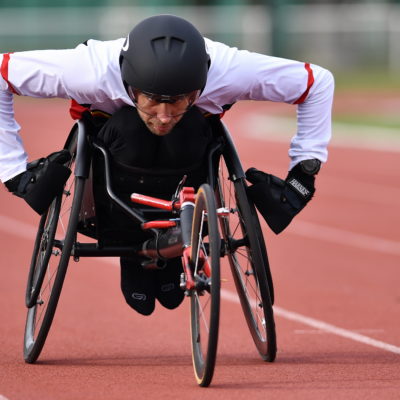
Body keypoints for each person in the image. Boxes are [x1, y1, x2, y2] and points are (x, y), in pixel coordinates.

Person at [0, 14, 334, 315]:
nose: (163, 115)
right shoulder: (88, 69)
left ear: (200, 84)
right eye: (152, 101)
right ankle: (132, 246)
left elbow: (317, 82)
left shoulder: (229, 70)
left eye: (177, 101)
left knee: (189, 128)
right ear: (130, 86)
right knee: (132, 127)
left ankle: (179, 234)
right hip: (112, 167)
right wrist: (14, 172)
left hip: (189, 160)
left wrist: (304, 171)